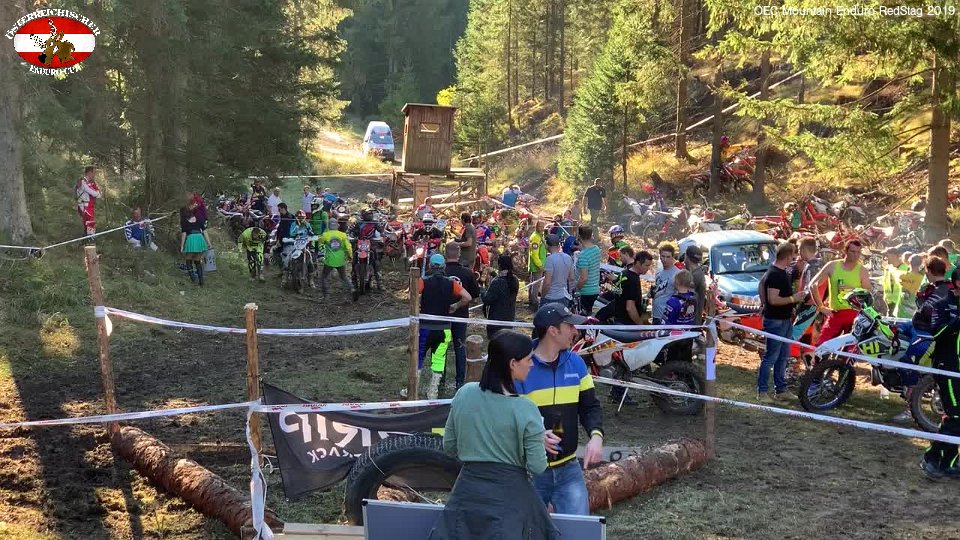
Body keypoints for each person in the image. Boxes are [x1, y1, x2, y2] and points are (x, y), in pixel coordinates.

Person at [431, 331, 558, 540]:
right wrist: (534, 441)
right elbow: (537, 466)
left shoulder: (464, 394)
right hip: (509, 498)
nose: (532, 365)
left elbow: (450, 447)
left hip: (467, 494)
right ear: (513, 364)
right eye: (528, 359)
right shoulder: (526, 409)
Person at [515, 303, 604, 515]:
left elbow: (590, 406)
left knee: (578, 529)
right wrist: (535, 436)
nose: (575, 331)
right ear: (553, 331)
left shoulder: (577, 364)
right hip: (529, 471)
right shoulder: (520, 366)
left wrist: (596, 436)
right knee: (526, 528)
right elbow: (507, 418)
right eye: (570, 326)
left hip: (569, 470)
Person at [919, 264, 960, 480]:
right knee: (956, 416)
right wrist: (958, 321)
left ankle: (949, 462)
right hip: (948, 368)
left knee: (957, 417)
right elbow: (938, 332)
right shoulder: (943, 305)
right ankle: (931, 459)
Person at [419, 254, 473, 399]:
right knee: (439, 360)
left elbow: (412, 295)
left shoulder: (423, 281)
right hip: (444, 328)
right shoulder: (451, 283)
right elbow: (467, 297)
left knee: (418, 357)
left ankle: (413, 387)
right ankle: (433, 391)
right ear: (443, 267)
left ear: (430, 266)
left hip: (425, 327)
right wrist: (455, 306)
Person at [757, 242, 800, 402]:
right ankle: (762, 391)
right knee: (770, 357)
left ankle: (780, 389)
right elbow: (773, 299)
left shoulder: (779, 272)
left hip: (785, 319)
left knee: (783, 357)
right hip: (776, 320)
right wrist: (793, 299)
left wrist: (790, 307)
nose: (794, 258)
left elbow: (761, 286)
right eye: (793, 255)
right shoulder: (775, 274)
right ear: (787, 256)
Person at [809, 239, 872, 345]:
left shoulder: (862, 270)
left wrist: (852, 289)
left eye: (858, 252)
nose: (856, 255)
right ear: (845, 251)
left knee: (850, 350)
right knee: (822, 346)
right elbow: (813, 285)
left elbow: (868, 292)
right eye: (853, 251)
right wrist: (821, 307)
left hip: (854, 314)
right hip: (835, 313)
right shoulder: (833, 265)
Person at [444, 243, 482, 390]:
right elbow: (475, 294)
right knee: (459, 347)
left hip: (443, 315)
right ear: (458, 254)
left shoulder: (441, 272)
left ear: (445, 254)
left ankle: (440, 379)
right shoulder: (467, 273)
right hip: (460, 315)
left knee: (442, 348)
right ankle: (460, 381)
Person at [612, 247, 654, 325]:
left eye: (649, 266)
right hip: (626, 323)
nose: (648, 268)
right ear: (638, 263)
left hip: (618, 318)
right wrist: (639, 324)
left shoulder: (624, 273)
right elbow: (630, 307)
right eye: (646, 265)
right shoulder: (633, 279)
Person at [483, 255, 520, 339]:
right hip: (509, 318)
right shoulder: (515, 279)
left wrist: (481, 289)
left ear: (499, 266)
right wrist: (494, 274)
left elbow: (487, 299)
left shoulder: (498, 282)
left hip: (496, 320)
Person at [179, 196, 212, 286]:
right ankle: (201, 282)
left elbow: (184, 233)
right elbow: (204, 231)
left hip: (191, 239)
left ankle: (193, 278)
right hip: (200, 238)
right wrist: (209, 243)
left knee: (188, 259)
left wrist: (182, 246)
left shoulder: (184, 221)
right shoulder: (199, 218)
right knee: (197, 260)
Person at [319, 219, 354, 295]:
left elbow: (320, 246)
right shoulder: (343, 235)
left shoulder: (325, 235)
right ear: (337, 225)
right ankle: (352, 289)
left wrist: (321, 256)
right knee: (343, 276)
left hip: (329, 260)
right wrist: (350, 256)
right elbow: (348, 247)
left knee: (324, 277)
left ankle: (326, 293)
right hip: (341, 260)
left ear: (328, 226)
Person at [539, 234, 576, 307]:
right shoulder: (568, 257)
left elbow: (547, 283)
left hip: (550, 298)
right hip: (564, 296)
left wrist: (542, 296)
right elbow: (572, 278)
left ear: (547, 245)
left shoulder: (550, 260)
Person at [651, 242, 681, 324]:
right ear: (660, 256)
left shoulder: (678, 274)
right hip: (655, 314)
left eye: (668, 257)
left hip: (667, 317)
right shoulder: (659, 271)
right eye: (663, 256)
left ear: (672, 257)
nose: (665, 259)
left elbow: (681, 296)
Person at [575, 226, 602, 314]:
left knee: (584, 317)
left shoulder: (583, 256)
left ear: (579, 236)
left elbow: (584, 278)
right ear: (591, 236)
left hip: (586, 292)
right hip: (595, 289)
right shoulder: (596, 249)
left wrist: (576, 288)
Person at [684, 245, 708, 325]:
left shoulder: (694, 275)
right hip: (693, 319)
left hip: (691, 321)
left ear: (687, 257)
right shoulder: (698, 272)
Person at [76, 165, 101, 237]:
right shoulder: (83, 182)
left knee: (89, 226)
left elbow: (99, 195)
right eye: (94, 172)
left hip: (88, 207)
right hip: (85, 207)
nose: (94, 175)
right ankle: (89, 240)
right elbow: (95, 194)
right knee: (90, 227)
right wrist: (97, 192)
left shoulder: (90, 183)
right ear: (89, 172)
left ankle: (87, 239)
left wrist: (97, 192)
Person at [528, 220, 547, 309]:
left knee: (533, 283)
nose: (542, 229)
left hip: (539, 264)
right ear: (536, 227)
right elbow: (534, 254)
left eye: (543, 227)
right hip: (536, 266)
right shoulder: (535, 237)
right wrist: (539, 265)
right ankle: (534, 302)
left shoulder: (540, 236)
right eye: (540, 227)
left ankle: (532, 300)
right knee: (536, 285)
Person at [898, 253, 925, 318]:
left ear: (909, 262)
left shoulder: (902, 276)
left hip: (901, 308)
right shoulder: (922, 278)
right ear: (920, 264)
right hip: (914, 307)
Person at [882, 247, 903, 314]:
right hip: (888, 301)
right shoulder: (888, 268)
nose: (885, 258)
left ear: (893, 256)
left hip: (899, 302)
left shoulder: (905, 268)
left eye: (887, 255)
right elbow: (886, 282)